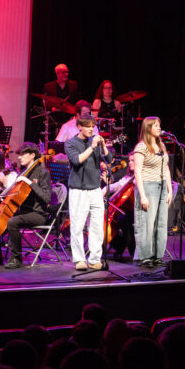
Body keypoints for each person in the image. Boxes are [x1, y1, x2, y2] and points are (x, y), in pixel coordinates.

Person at [65, 116, 114, 271]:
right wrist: (92, 147)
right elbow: (77, 160)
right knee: (78, 227)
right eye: (87, 126)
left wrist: (103, 146)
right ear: (79, 127)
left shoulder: (95, 142)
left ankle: (94, 259)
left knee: (97, 226)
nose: (91, 129)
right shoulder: (71, 143)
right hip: (78, 190)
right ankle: (79, 259)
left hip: (95, 190)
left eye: (93, 126)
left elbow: (109, 159)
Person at [0, 142, 52, 269]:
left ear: (32, 155)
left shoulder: (42, 172)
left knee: (12, 222)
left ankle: (17, 258)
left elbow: (46, 197)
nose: (19, 157)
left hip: (38, 213)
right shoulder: (23, 172)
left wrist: (29, 182)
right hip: (24, 211)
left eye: (23, 154)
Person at [133, 117, 172, 267]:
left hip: (162, 186)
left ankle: (158, 255)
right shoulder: (141, 147)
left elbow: (166, 168)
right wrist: (142, 195)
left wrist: (169, 189)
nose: (158, 128)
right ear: (148, 128)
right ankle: (146, 256)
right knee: (147, 223)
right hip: (148, 186)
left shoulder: (160, 145)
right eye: (155, 125)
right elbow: (137, 172)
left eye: (159, 125)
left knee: (161, 223)